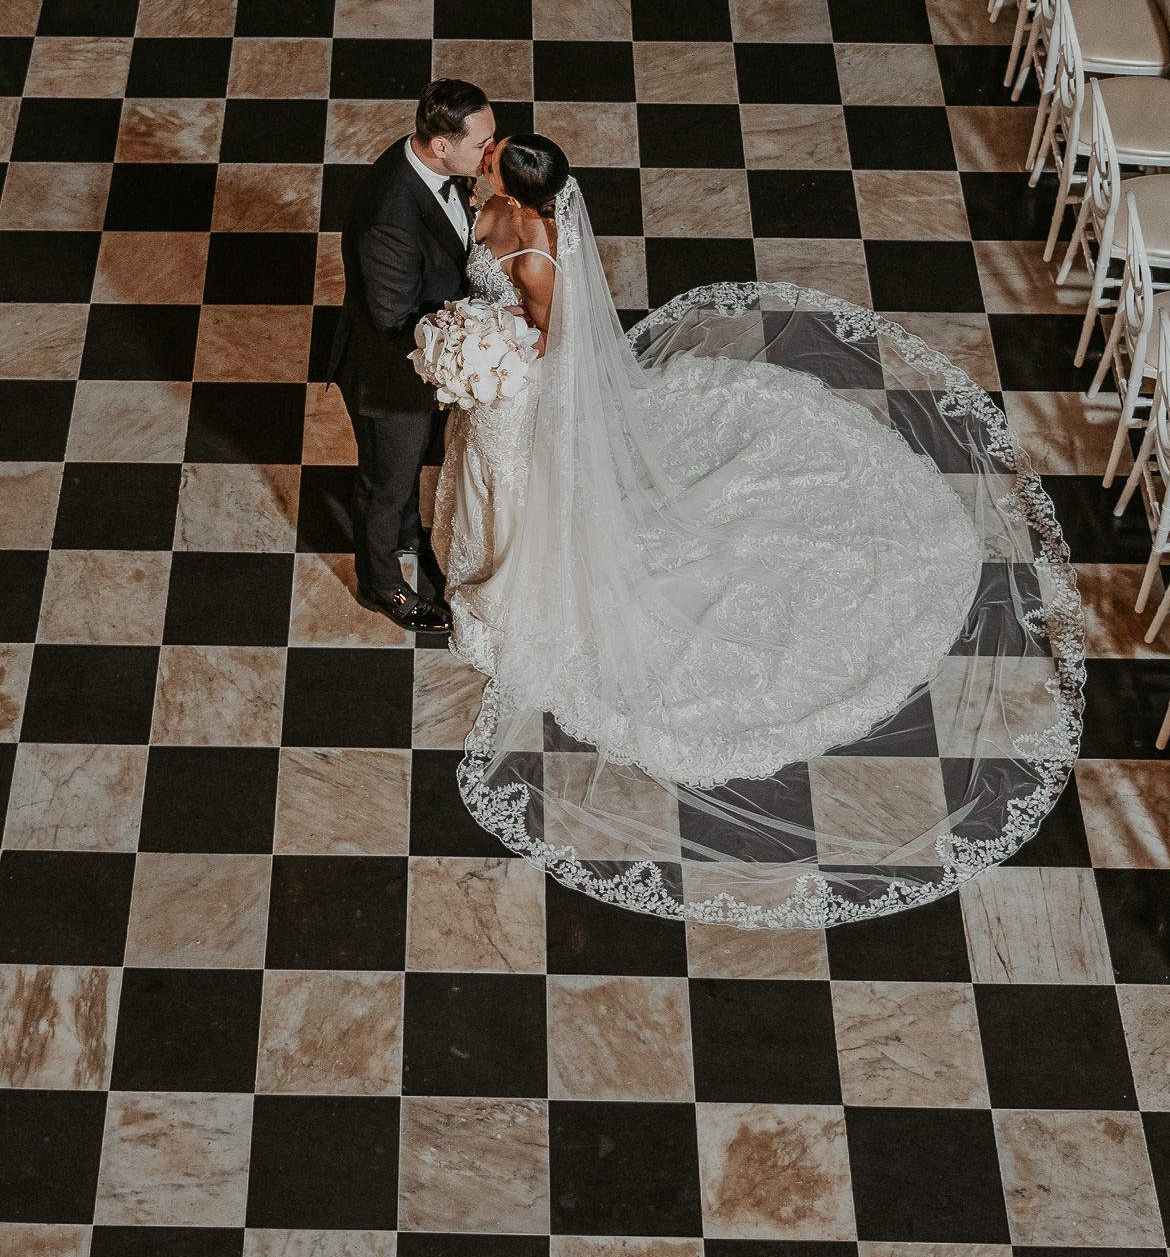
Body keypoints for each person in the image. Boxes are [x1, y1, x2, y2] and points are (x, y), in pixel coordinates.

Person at [429, 134, 1086, 932]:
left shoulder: (538, 257)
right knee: (490, 479)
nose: (485, 155)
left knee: (524, 486)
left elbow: (551, 339)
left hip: (521, 388)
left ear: (519, 190)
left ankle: (513, 569)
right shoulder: (498, 207)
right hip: (493, 386)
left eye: (492, 153)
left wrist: (487, 354)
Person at [329, 78, 495, 632]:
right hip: (388, 379)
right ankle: (381, 585)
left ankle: (406, 533)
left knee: (402, 472)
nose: (490, 154)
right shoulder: (388, 219)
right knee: (387, 482)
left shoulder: (424, 164)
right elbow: (396, 321)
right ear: (443, 146)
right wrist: (475, 338)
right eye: (482, 146)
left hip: (419, 367)